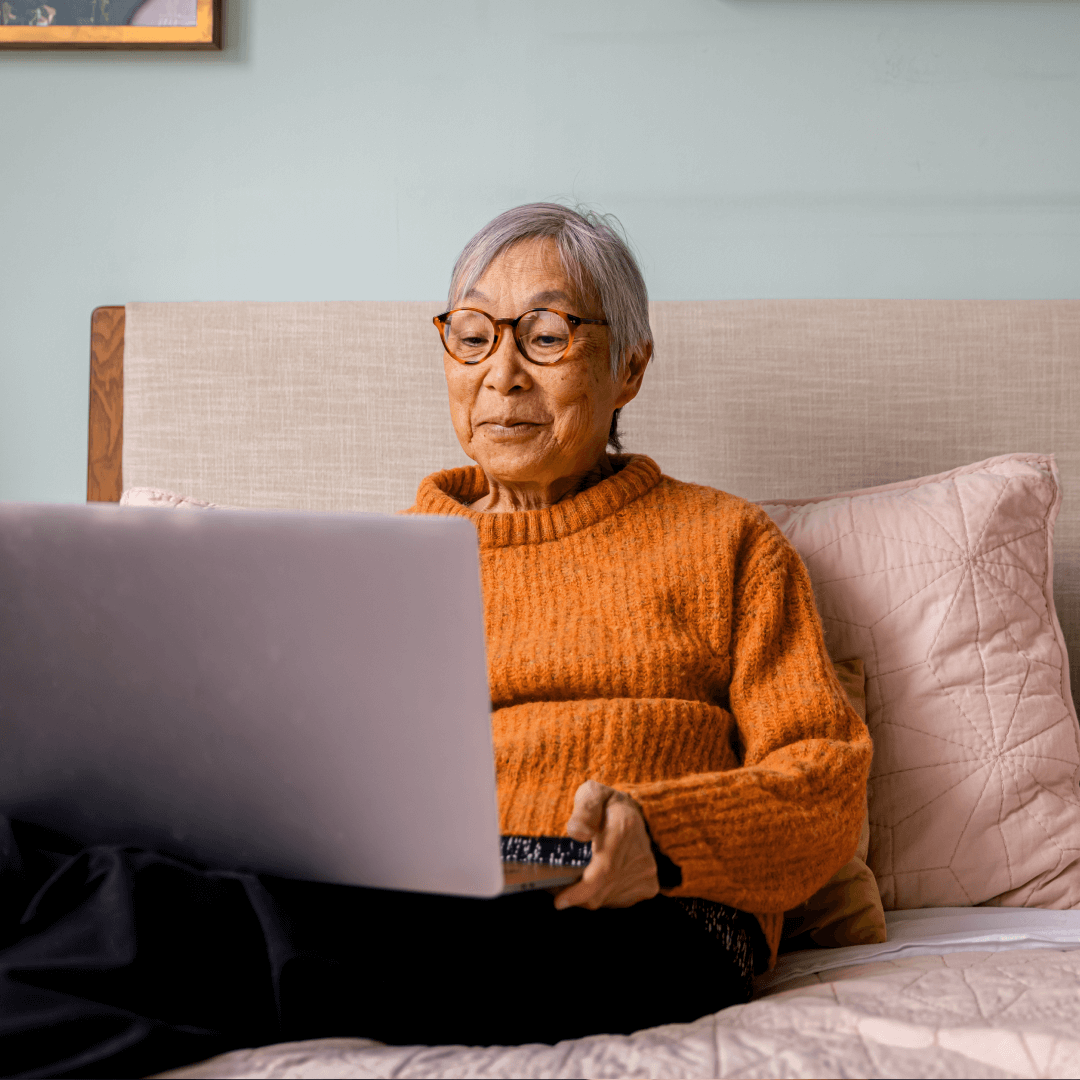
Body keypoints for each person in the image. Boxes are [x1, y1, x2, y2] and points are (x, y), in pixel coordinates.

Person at [0, 204, 871, 1077]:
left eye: (545, 335)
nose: (502, 375)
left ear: (630, 367)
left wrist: (665, 837)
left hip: (621, 908)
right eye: (472, 335)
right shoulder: (386, 558)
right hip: (398, 886)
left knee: (161, 924)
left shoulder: (727, 541)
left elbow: (827, 785)